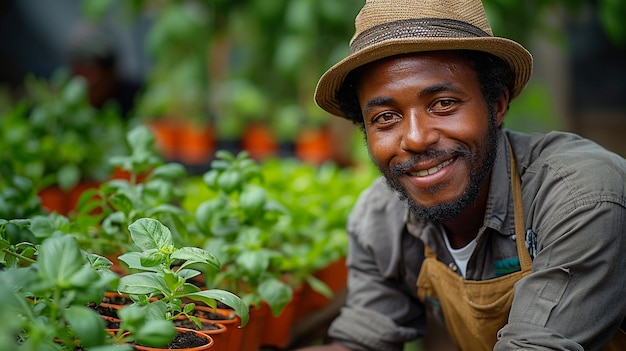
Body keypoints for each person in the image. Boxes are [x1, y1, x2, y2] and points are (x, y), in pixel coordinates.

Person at [297, 0, 626, 350]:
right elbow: (361, 342)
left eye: (443, 104)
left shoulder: (580, 197)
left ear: (496, 104)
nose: (416, 138)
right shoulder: (381, 218)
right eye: (385, 118)